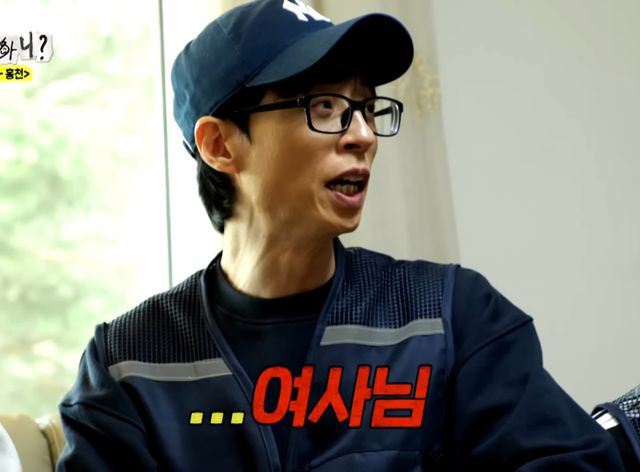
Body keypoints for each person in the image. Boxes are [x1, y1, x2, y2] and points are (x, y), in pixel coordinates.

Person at [56, 0, 625, 470]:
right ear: (220, 145)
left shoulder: (452, 317)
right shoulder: (129, 365)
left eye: (367, 109)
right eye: (325, 106)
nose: (363, 136)